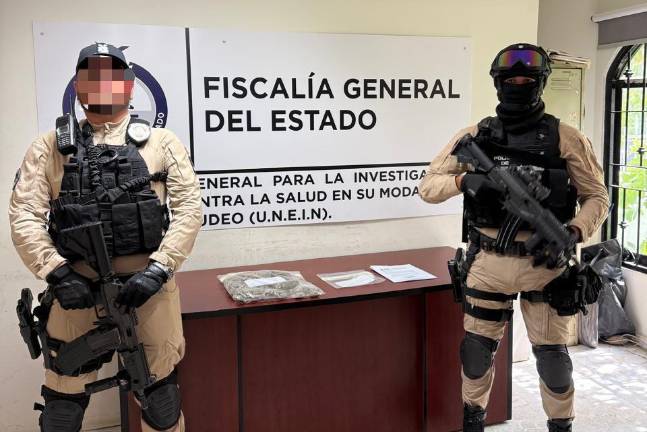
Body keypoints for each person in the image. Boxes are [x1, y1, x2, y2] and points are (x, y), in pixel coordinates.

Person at [9, 42, 202, 432]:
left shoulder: (163, 143)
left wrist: (160, 269)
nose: (102, 84)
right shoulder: (48, 147)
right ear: (77, 87)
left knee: (161, 399)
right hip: (75, 288)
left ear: (129, 85)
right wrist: (57, 272)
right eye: (91, 76)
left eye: (112, 75)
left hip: (148, 289)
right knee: (62, 407)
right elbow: (24, 214)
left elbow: (189, 211)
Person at [419, 43, 609, 432]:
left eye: (527, 80)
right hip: (488, 264)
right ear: (498, 83)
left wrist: (574, 230)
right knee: (476, 355)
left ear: (541, 83)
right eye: (511, 79)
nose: (518, 85)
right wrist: (464, 180)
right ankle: (473, 422)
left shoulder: (566, 137)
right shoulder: (475, 135)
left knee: (553, 360)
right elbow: (428, 186)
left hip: (547, 266)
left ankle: (561, 425)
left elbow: (597, 197)